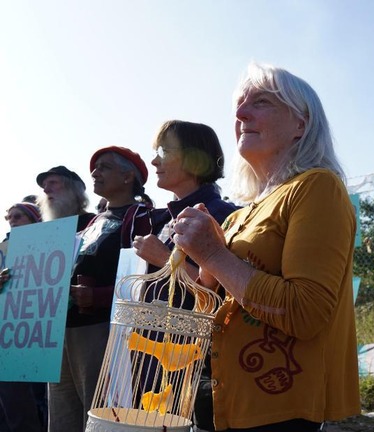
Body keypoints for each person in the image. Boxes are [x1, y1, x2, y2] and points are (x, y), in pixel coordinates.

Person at [171, 62, 360, 431]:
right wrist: (203, 263)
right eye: (239, 105)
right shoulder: (243, 213)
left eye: (261, 102)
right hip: (226, 400)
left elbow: (305, 312)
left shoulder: (317, 187)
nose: (240, 113)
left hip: (279, 409)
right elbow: (218, 305)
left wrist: (213, 254)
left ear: (301, 124)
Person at [132, 119, 239, 431]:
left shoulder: (221, 215)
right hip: (156, 358)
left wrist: (165, 260)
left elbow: (222, 294)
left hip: (195, 363)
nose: (154, 161)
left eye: (164, 151)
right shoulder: (164, 218)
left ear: (195, 158)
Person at [47, 147, 153, 432]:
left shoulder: (143, 217)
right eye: (95, 168)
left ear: (128, 176)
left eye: (104, 167)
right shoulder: (94, 221)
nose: (95, 172)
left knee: (99, 413)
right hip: (64, 330)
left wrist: (98, 296)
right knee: (61, 412)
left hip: (101, 329)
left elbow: (148, 278)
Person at [0, 202, 45, 432]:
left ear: (35, 219)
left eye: (18, 217)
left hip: (42, 334)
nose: (12, 222)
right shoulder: (3, 249)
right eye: (9, 218)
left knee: (40, 401)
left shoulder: (50, 245)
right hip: (9, 335)